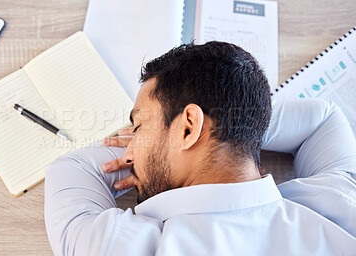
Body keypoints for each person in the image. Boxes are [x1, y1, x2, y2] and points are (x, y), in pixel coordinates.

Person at [44, 42, 356, 255]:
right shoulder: (338, 208)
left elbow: (72, 169)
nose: (131, 144)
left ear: (188, 127)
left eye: (138, 126)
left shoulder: (116, 246)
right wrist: (237, 128)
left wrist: (151, 149)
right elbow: (323, 119)